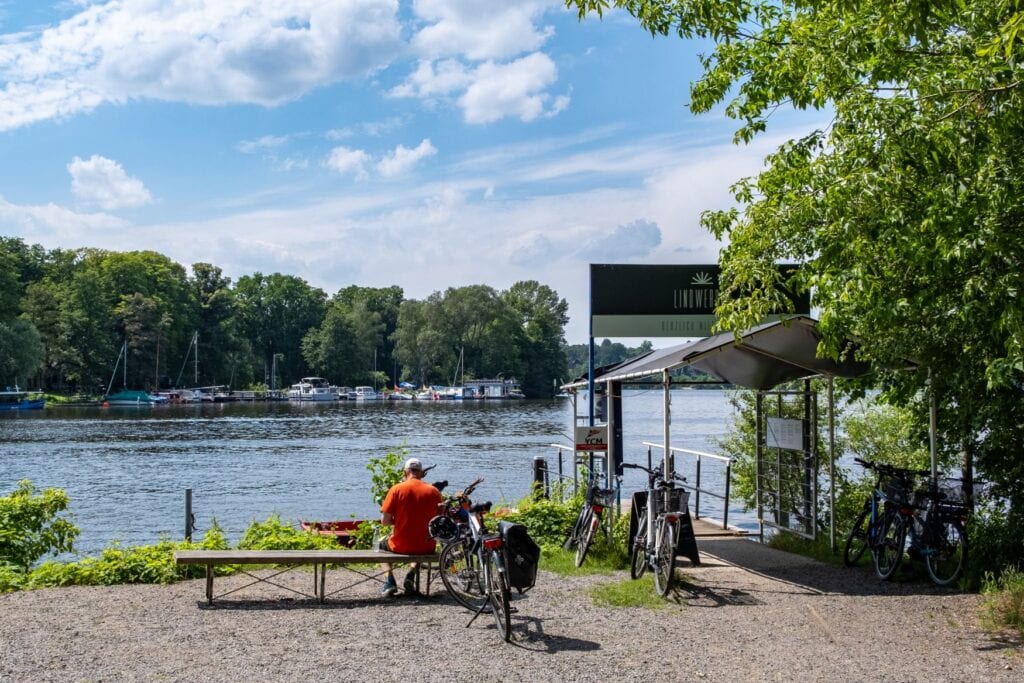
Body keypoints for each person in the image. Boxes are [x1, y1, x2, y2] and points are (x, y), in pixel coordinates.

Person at [378, 457, 442, 596]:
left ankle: (389, 581)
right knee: (419, 544)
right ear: (421, 473)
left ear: (405, 472)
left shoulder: (396, 489)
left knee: (381, 547)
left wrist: (399, 521)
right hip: (426, 546)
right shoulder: (434, 491)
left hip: (400, 546)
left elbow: (384, 521)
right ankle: (411, 574)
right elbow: (439, 519)